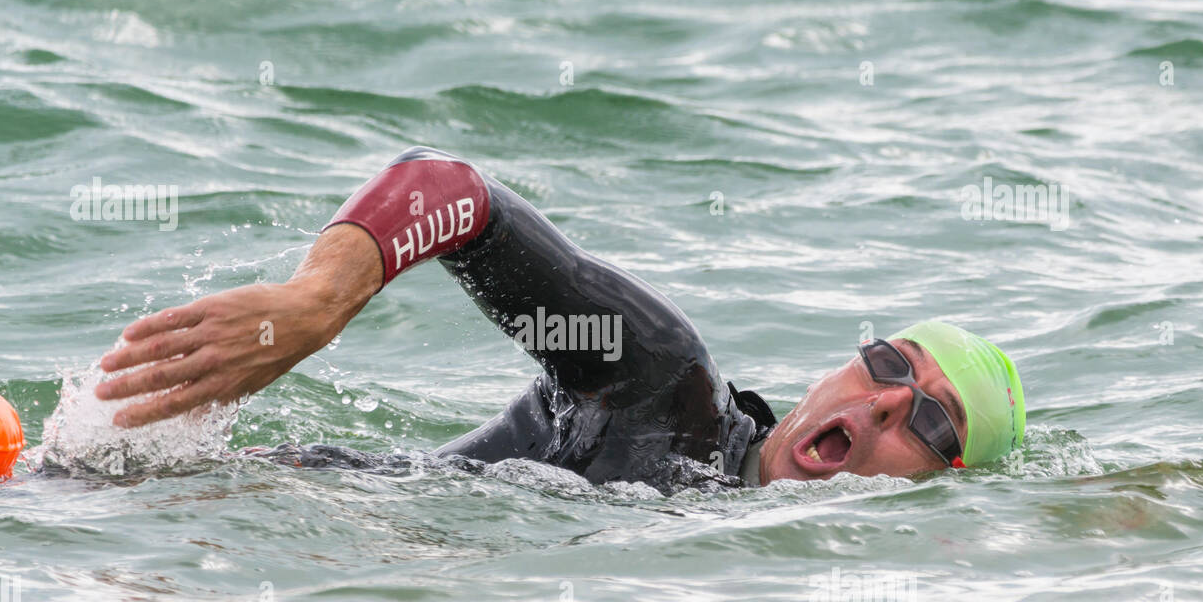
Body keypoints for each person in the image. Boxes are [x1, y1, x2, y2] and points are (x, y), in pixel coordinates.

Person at [94, 147, 1025, 488]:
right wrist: (316, 302)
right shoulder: (662, 381)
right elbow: (454, 193)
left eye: (935, 422)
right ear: (839, 370)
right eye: (889, 364)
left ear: (942, 486)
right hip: (214, 505)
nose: (890, 402)